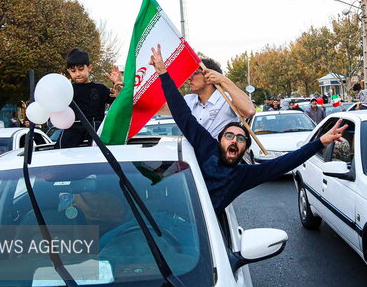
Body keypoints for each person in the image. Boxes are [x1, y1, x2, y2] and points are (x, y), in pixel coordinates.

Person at [150, 44, 347, 212]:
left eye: (241, 138)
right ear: (219, 140)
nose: (234, 140)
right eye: (229, 135)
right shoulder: (204, 148)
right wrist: (162, 73)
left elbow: (286, 162)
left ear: (245, 149)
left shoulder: (242, 175)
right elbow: (180, 112)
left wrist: (320, 141)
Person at [159, 58, 255, 138]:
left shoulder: (227, 99)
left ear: (209, 77)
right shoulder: (189, 100)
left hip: (221, 158)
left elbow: (249, 111)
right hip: (194, 158)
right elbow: (158, 108)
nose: (189, 78)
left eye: (194, 73)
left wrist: (223, 80)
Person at [58, 48, 123, 148]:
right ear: (68, 71)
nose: (78, 74)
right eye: (73, 71)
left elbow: (119, 104)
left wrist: (118, 88)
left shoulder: (100, 89)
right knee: (61, 149)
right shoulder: (68, 90)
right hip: (73, 129)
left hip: (96, 129)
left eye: (81, 69)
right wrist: (60, 89)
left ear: (90, 68)